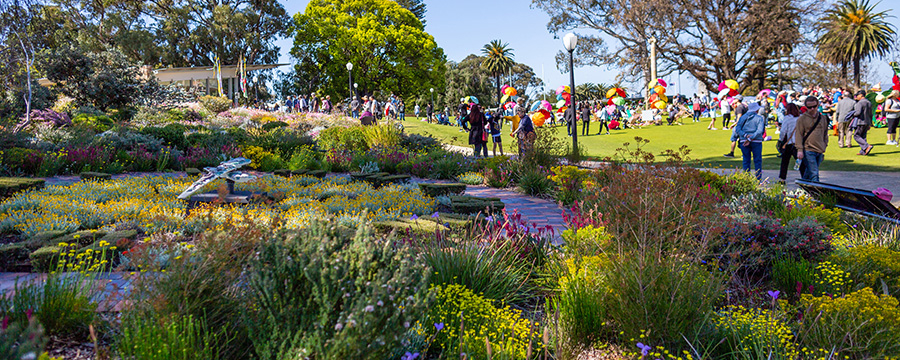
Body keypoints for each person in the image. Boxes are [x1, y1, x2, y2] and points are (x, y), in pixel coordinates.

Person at [795, 96, 829, 182]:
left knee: (808, 173)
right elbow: (799, 134)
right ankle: (816, 192)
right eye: (809, 107)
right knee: (814, 173)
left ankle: (802, 189)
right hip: (808, 149)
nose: (812, 109)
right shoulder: (802, 119)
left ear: (818, 105)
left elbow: (825, 133)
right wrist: (800, 150)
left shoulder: (823, 118)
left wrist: (824, 145)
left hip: (820, 149)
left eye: (814, 106)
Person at [732, 103, 767, 180]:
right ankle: (758, 179)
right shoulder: (759, 118)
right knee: (757, 160)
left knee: (746, 160)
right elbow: (760, 130)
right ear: (756, 110)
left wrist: (745, 136)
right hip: (756, 141)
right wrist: (751, 138)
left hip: (744, 140)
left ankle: (746, 178)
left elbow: (737, 129)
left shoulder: (743, 117)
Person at [777, 103, 804, 184]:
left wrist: (781, 140)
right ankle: (805, 177)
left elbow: (783, 131)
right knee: (800, 162)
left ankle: (782, 178)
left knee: (785, 162)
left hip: (789, 143)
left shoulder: (787, 118)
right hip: (798, 142)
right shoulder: (800, 118)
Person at [852, 90, 874, 155]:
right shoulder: (869, 102)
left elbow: (858, 112)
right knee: (863, 136)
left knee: (856, 136)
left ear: (861, 95)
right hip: (867, 121)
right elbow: (871, 113)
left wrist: (852, 114)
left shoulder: (860, 103)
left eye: (857, 95)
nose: (856, 97)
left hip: (860, 121)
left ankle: (867, 146)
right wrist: (870, 123)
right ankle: (863, 151)